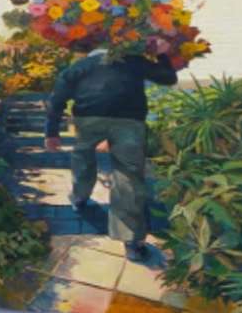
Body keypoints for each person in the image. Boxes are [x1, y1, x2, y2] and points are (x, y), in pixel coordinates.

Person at [45, 42, 178, 257]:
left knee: (82, 156)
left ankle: (80, 196)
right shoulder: (134, 62)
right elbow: (168, 78)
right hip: (129, 121)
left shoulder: (80, 66)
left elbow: (57, 100)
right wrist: (162, 55)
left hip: (88, 119)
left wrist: (51, 132)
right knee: (128, 176)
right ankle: (131, 241)